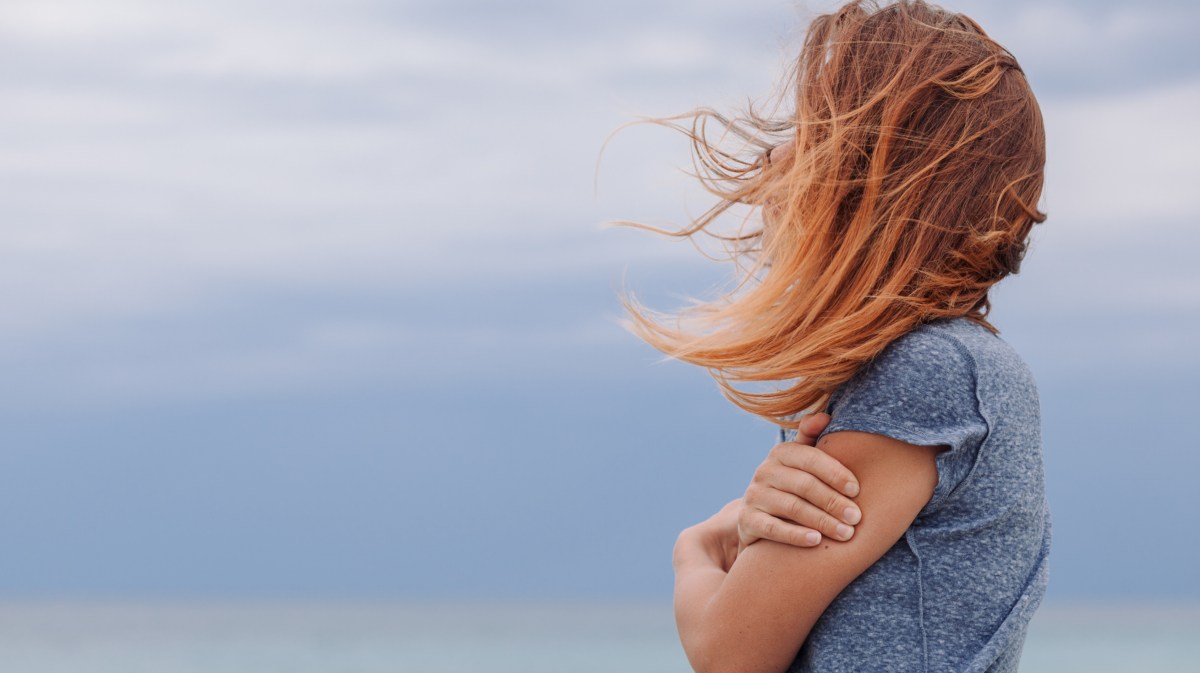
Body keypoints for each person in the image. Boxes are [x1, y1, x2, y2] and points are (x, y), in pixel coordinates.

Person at [618, 1, 1051, 672]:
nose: (777, 152)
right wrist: (752, 522)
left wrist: (697, 549)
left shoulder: (926, 370)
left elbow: (728, 651)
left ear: (883, 174)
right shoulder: (955, 367)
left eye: (813, 129)